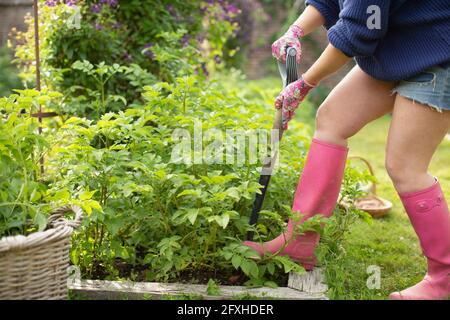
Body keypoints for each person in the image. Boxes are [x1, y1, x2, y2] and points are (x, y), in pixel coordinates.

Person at [243, 0, 450, 300]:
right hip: (399, 46)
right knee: (332, 119)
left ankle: (445, 275)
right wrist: (295, 30)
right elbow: (331, 2)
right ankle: (300, 240)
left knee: (405, 166)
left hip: (437, 53)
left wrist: (304, 84)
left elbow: (358, 30)